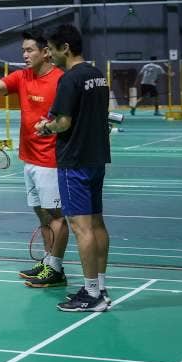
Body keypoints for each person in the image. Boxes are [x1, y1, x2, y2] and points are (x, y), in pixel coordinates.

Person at [0, 31, 68, 287]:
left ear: (46, 52)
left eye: (30, 50)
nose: (25, 55)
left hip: (51, 160)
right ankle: (48, 262)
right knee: (42, 214)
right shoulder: (22, 76)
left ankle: (56, 269)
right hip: (30, 158)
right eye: (23, 51)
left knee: (56, 215)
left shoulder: (60, 80)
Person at [36, 24, 112, 312]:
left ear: (64, 48)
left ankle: (92, 294)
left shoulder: (69, 79)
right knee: (97, 223)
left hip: (74, 162)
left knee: (82, 228)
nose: (50, 55)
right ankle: (100, 285)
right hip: (96, 158)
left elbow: (63, 122)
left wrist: (46, 128)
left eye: (51, 50)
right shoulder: (97, 76)